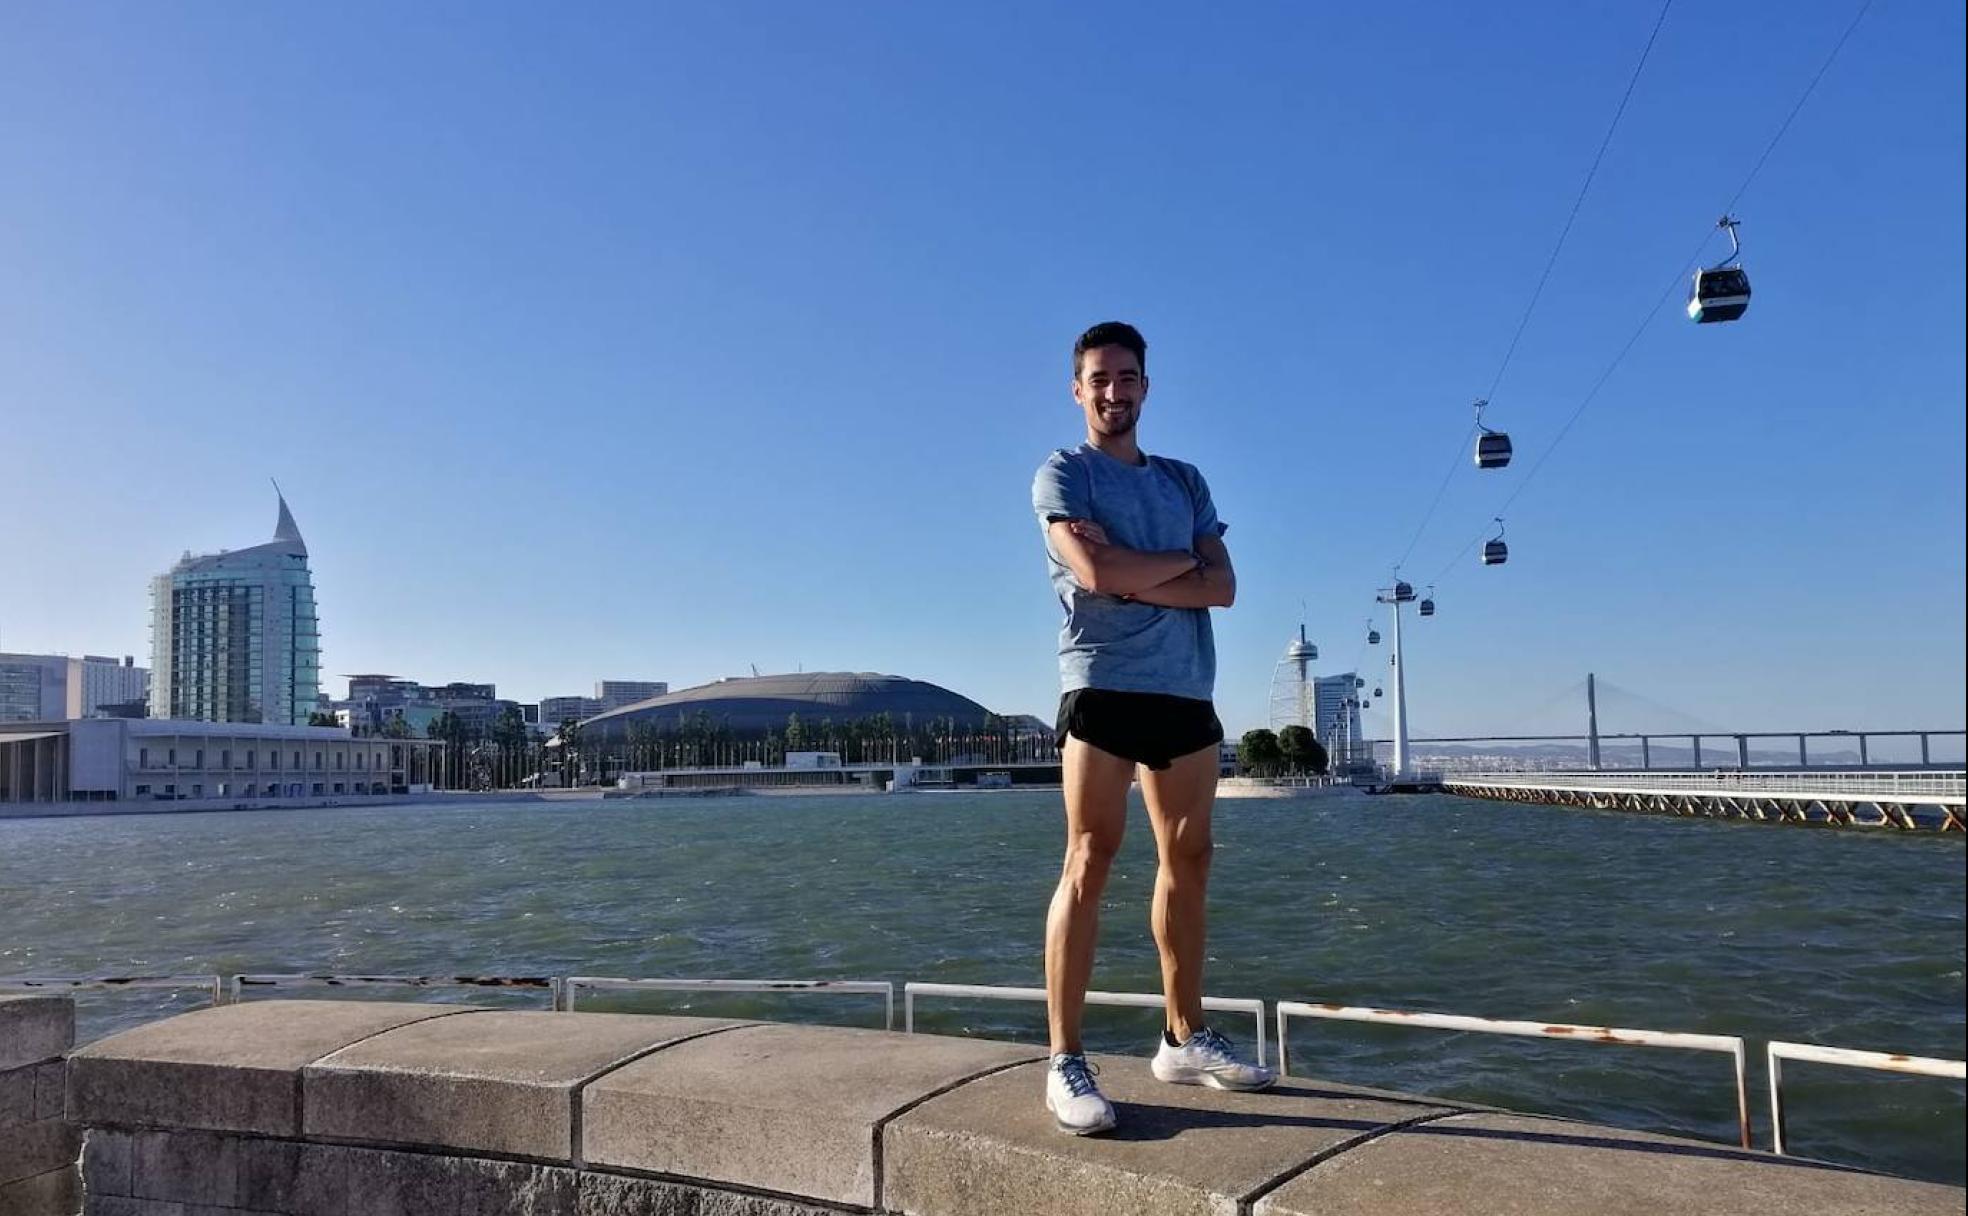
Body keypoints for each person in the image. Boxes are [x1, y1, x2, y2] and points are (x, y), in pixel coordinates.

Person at [1030, 321, 1275, 1137]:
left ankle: (1182, 1036)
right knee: (1090, 858)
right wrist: (1172, 565)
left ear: (1146, 385)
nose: (1113, 391)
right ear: (1078, 389)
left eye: (1126, 377)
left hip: (1184, 690)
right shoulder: (1064, 475)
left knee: (1190, 858)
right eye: (1098, 378)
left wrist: (1141, 573)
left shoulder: (1185, 480)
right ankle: (1065, 1059)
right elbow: (1097, 573)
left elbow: (1226, 587)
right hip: (1102, 685)